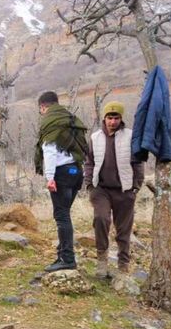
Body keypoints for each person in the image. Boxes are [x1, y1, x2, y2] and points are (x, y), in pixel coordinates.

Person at [84, 101, 145, 277]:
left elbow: (137, 163)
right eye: (110, 118)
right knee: (101, 218)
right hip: (100, 188)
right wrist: (89, 184)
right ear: (104, 118)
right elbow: (89, 162)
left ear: (121, 118)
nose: (112, 121)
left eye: (116, 118)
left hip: (124, 190)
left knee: (124, 229)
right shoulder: (95, 137)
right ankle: (102, 260)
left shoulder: (130, 136)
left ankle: (123, 264)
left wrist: (136, 186)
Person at [34, 91, 88, 273]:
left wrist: (50, 177)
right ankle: (63, 254)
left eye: (40, 109)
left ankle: (67, 258)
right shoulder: (70, 118)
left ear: (43, 106)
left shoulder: (50, 121)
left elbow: (49, 150)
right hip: (76, 171)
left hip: (61, 173)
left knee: (62, 216)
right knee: (65, 214)